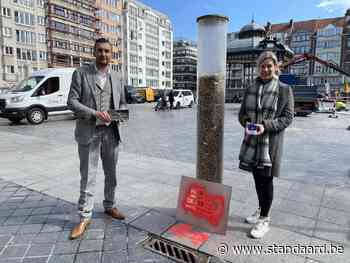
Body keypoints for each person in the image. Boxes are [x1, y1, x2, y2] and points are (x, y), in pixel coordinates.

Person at [67, 38, 127, 240]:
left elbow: (123, 104)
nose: (104, 54)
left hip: (111, 134)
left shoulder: (117, 77)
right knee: (88, 176)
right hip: (88, 133)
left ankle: (110, 205)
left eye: (107, 51)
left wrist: (119, 116)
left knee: (112, 174)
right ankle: (84, 216)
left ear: (112, 54)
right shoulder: (81, 73)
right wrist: (94, 113)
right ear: (94, 52)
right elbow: (72, 102)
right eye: (100, 50)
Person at [238, 51, 294, 239]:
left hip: (270, 145)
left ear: (276, 67)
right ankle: (261, 209)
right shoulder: (250, 87)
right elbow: (242, 114)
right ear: (258, 68)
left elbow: (287, 117)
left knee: (266, 181)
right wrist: (247, 122)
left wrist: (266, 126)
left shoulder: (284, 89)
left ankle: (265, 219)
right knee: (257, 179)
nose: (266, 69)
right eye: (262, 66)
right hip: (252, 142)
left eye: (269, 66)